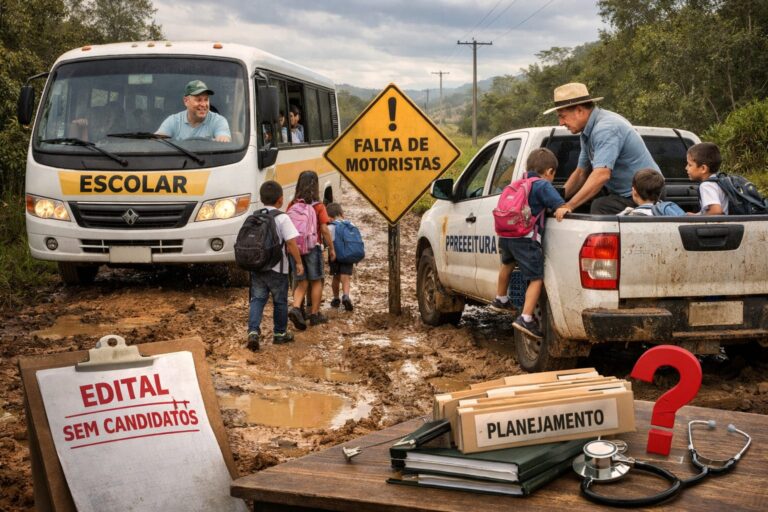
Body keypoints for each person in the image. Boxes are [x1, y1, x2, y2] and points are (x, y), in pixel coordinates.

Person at [545, 83, 660, 218]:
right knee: (593, 199)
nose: (561, 123)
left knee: (600, 206)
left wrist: (570, 205)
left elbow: (601, 174)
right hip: (627, 193)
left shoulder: (605, 128)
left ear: (579, 110)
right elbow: (581, 172)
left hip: (647, 194)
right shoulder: (587, 132)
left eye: (562, 116)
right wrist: (557, 200)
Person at [492, 148, 570, 340]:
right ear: (550, 171)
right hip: (526, 240)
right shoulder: (542, 185)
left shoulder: (517, 184)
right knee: (536, 278)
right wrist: (563, 208)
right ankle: (526, 318)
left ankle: (500, 298)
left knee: (507, 265)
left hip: (507, 236)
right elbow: (559, 206)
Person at [247, 181, 304, 351]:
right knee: (280, 301)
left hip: (257, 267)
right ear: (280, 200)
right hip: (278, 269)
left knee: (257, 300)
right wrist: (299, 263)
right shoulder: (282, 218)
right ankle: (280, 334)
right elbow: (292, 243)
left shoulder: (254, 216)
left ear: (261, 198)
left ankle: (253, 332)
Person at [287, 171, 336, 329]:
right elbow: (325, 229)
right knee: (316, 281)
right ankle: (315, 314)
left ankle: (296, 308)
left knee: (301, 281)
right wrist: (332, 249)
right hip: (313, 248)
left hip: (296, 250)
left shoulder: (292, 204)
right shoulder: (319, 206)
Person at [156, 80, 231, 142]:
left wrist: (222, 139)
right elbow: (157, 141)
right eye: (198, 100)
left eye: (206, 99)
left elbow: (223, 138)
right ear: (186, 101)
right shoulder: (173, 121)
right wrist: (159, 138)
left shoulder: (218, 121)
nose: (203, 104)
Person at [326, 202, 355, 311]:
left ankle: (336, 298)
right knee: (345, 277)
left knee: (336, 277)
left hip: (334, 255)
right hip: (347, 254)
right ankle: (346, 296)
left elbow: (326, 242)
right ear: (342, 214)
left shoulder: (329, 227)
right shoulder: (350, 224)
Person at [686, 142, 728, 215]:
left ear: (703, 168)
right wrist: (697, 215)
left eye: (690, 165)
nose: (686, 168)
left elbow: (716, 211)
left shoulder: (706, 185)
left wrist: (696, 218)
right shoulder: (719, 181)